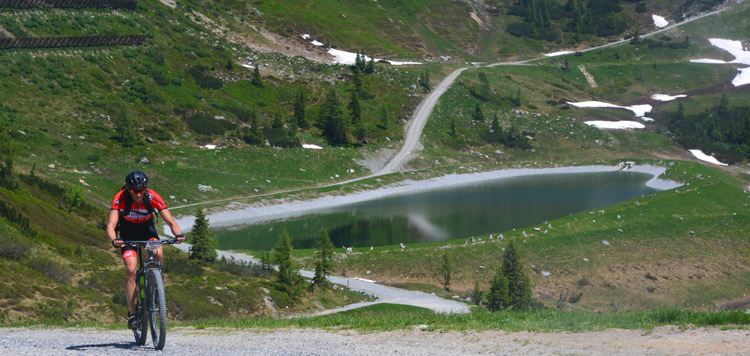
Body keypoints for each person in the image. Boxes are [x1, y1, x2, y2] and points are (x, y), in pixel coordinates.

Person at [106, 170, 186, 329]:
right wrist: (114, 239)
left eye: (141, 191)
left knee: (157, 253)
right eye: (134, 191)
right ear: (128, 189)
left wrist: (178, 234)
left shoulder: (152, 197)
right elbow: (111, 225)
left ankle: (156, 285)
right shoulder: (120, 198)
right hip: (127, 236)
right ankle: (133, 314)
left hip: (148, 232)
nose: (137, 194)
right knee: (130, 269)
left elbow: (170, 221)